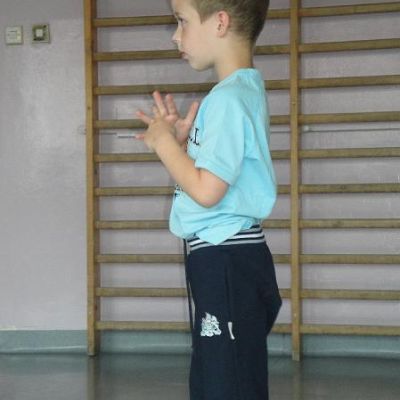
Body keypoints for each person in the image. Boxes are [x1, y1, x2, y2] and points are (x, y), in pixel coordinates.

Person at [136, 0, 282, 398]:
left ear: (220, 22)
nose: (175, 35)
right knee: (218, 378)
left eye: (182, 21)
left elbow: (206, 191)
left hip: (226, 258)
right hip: (226, 257)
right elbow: (218, 177)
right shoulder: (241, 91)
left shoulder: (228, 99)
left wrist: (165, 145)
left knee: (225, 384)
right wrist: (184, 147)